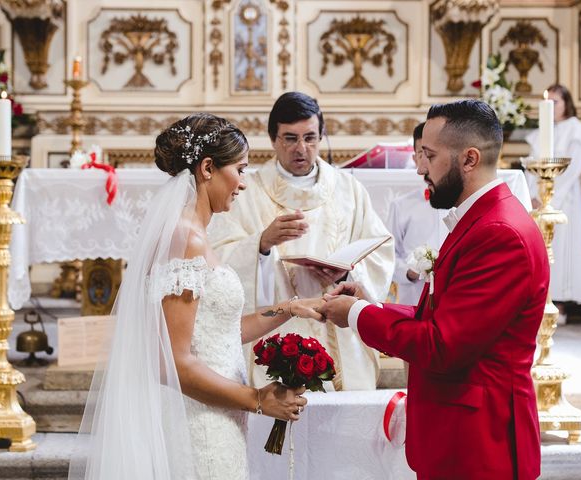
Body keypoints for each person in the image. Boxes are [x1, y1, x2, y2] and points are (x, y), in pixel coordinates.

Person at [69, 113, 323, 480]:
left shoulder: (197, 235)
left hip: (220, 412)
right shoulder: (185, 239)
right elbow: (175, 362)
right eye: (240, 169)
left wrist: (287, 309)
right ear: (207, 168)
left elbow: (216, 333)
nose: (244, 183)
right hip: (200, 419)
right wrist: (257, 399)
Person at [319, 100, 549, 480]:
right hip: (461, 432)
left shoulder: (498, 234)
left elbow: (443, 346)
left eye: (428, 154)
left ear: (469, 159)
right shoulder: (481, 218)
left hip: (480, 442)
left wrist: (356, 316)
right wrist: (369, 306)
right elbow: (446, 318)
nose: (420, 166)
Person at [208, 91, 395, 391]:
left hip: (338, 328)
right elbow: (218, 257)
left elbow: (380, 250)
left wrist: (346, 273)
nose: (302, 148)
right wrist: (262, 245)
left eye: (310, 138)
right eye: (290, 138)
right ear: (272, 139)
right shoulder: (247, 191)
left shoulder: (348, 189)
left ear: (321, 136)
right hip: (275, 332)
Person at [526, 84, 581, 316]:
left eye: (556, 102)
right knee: (541, 249)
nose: (552, 107)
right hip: (539, 198)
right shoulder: (544, 130)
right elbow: (533, 166)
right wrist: (532, 196)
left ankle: (561, 302)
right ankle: (540, 299)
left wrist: (549, 198)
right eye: (548, 103)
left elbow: (572, 169)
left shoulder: (577, 130)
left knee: (563, 249)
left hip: (566, 199)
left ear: (567, 104)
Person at [386, 121, 449, 305]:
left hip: (452, 295)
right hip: (413, 297)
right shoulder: (401, 205)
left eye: (433, 154)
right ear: (415, 159)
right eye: (422, 154)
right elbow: (387, 255)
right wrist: (408, 271)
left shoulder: (460, 201)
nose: (427, 161)